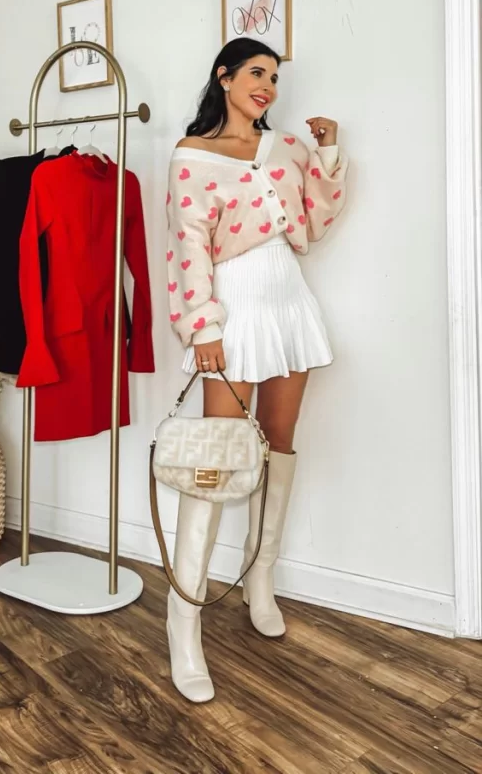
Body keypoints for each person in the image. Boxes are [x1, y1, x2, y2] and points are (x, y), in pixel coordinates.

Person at [165, 36, 348, 702]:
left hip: (287, 298)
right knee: (217, 460)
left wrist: (327, 151)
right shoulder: (192, 156)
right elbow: (187, 247)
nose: (267, 85)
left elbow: (315, 221)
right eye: (255, 72)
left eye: (273, 76)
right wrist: (205, 327)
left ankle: (259, 579)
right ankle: (183, 623)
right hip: (233, 308)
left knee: (277, 445)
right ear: (224, 77)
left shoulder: (286, 150)